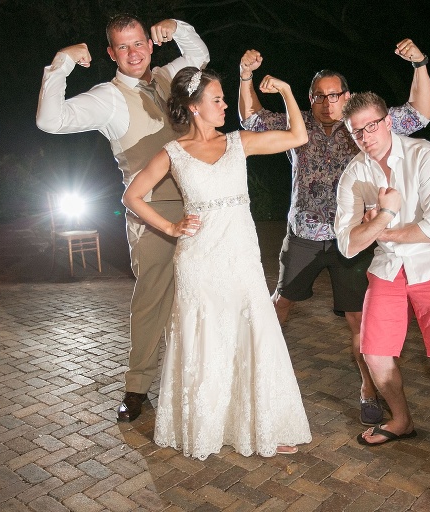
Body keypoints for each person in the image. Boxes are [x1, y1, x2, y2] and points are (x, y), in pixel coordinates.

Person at [238, 40, 430, 427]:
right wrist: (245, 77)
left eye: (335, 94)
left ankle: (368, 390)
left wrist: (420, 65)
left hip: (353, 238)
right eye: (320, 96)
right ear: (310, 99)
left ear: (348, 96)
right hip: (304, 235)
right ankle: (255, 377)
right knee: (280, 304)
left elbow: (419, 114)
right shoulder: (300, 123)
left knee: (359, 319)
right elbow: (252, 120)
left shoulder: (362, 125)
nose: (328, 102)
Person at [122, 67, 312, 460]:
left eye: (224, 98)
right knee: (205, 338)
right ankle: (205, 426)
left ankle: (263, 425)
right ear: (194, 107)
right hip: (199, 262)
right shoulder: (173, 153)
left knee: (251, 334)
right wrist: (171, 228)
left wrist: (289, 90)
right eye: (218, 99)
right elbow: (132, 196)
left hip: (240, 256)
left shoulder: (239, 142)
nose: (226, 105)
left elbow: (298, 136)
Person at [36, 14, 210, 422]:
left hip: (202, 204)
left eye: (139, 43)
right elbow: (50, 120)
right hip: (153, 213)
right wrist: (61, 64)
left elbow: (199, 54)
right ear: (112, 53)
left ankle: (196, 378)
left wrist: (178, 26)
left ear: (151, 45)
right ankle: (137, 388)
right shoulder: (107, 98)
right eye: (123, 47)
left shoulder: (170, 75)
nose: (133, 53)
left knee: (203, 296)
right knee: (152, 299)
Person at [334, 91, 430, 481]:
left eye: (371, 126)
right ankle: (401, 420)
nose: (365, 136)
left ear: (387, 121)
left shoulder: (426, 156)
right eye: (356, 132)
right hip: (388, 269)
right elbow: (348, 244)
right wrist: (386, 213)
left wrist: (379, 228)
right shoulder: (354, 174)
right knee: (374, 354)